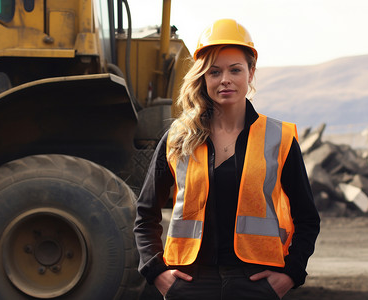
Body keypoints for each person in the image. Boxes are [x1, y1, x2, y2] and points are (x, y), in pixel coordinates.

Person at [134, 19, 320, 300]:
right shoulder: (177, 138)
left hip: (255, 283)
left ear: (251, 73)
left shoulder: (279, 138)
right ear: (202, 77)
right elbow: (145, 214)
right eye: (214, 72)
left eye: (235, 70)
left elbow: (307, 218)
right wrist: (156, 272)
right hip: (190, 283)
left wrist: (290, 273)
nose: (225, 80)